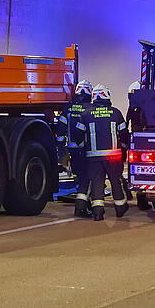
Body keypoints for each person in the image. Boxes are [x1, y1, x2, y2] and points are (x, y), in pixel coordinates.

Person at [73, 84, 129, 221]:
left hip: (93, 157)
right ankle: (120, 208)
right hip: (113, 156)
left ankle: (98, 212)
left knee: (97, 182)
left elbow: (78, 135)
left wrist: (82, 148)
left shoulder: (85, 115)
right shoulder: (115, 113)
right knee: (115, 181)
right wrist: (124, 148)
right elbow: (124, 133)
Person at [54, 80, 94, 216]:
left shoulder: (68, 108)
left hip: (73, 150)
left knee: (80, 176)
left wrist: (61, 145)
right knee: (88, 177)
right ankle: (84, 205)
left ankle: (83, 201)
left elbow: (61, 127)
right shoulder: (90, 108)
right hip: (88, 150)